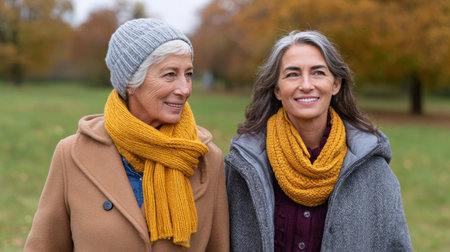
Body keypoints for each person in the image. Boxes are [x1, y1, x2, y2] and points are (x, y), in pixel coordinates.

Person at [25, 18, 229, 251]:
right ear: (131, 82)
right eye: (170, 74)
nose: (184, 89)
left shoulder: (207, 159)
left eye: (189, 74)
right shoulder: (71, 154)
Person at [225, 30, 412, 251]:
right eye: (292, 74)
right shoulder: (244, 165)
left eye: (318, 73)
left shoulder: (372, 169)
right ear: (277, 89)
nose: (306, 84)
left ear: (336, 84)